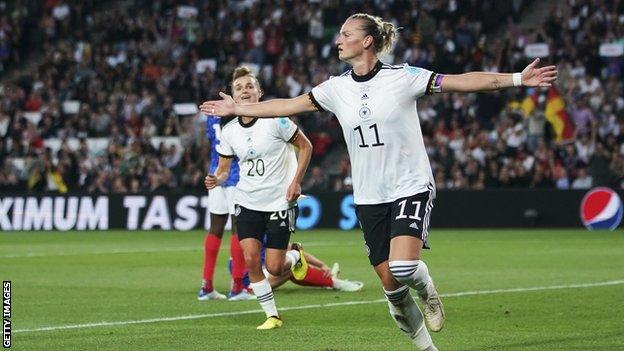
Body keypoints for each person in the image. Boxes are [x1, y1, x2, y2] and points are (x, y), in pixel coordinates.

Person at [200, 13, 556, 350]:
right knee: (390, 286)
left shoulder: (403, 77)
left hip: (410, 183)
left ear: (367, 41)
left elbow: (460, 82)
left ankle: (428, 289)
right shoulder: (335, 88)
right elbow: (287, 105)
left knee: (403, 267)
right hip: (369, 194)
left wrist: (516, 79)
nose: (338, 41)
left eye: (346, 35)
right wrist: (238, 109)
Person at [204, 66, 313, 330]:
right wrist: (216, 179)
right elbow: (224, 168)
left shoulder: (277, 119)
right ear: (232, 95)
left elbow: (306, 146)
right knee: (252, 259)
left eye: (250, 86)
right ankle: (272, 316)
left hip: (279, 201)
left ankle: (295, 255)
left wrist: (296, 181)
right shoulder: (229, 131)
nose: (244, 91)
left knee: (275, 267)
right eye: (239, 88)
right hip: (247, 200)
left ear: (259, 93)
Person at [197, 114, 254, 301]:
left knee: (215, 228)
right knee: (238, 229)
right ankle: (237, 287)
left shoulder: (212, 117)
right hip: (235, 174)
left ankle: (206, 286)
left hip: (215, 173)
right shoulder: (240, 114)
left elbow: (211, 141)